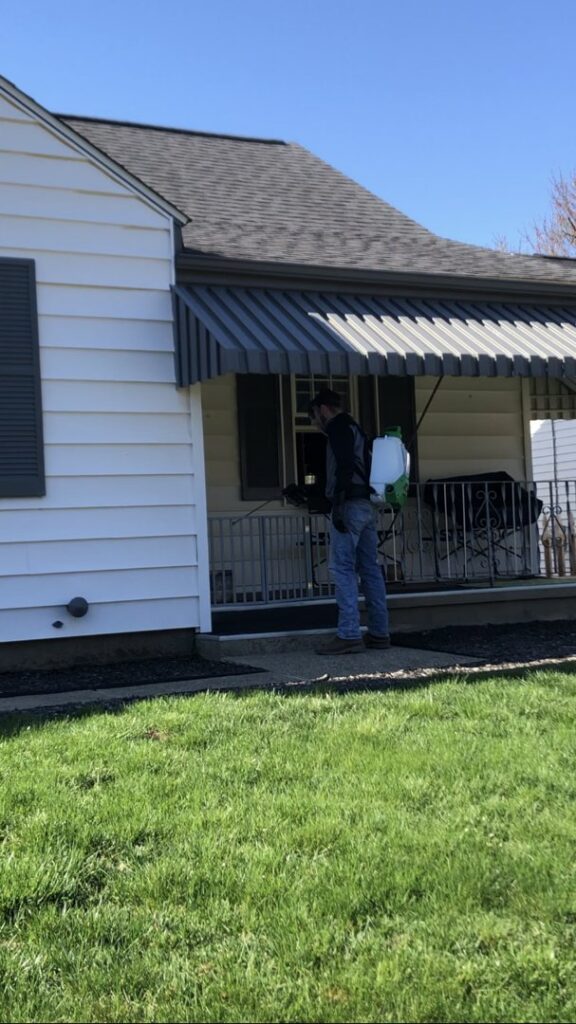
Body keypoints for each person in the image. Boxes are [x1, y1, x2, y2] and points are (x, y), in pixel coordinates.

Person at [309, 388, 390, 655]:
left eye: (314, 417)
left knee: (341, 568)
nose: (316, 423)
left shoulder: (337, 428)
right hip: (367, 504)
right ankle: (379, 633)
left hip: (350, 505)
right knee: (369, 568)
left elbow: (344, 465)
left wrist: (338, 505)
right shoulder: (356, 428)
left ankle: (349, 634)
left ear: (323, 410)